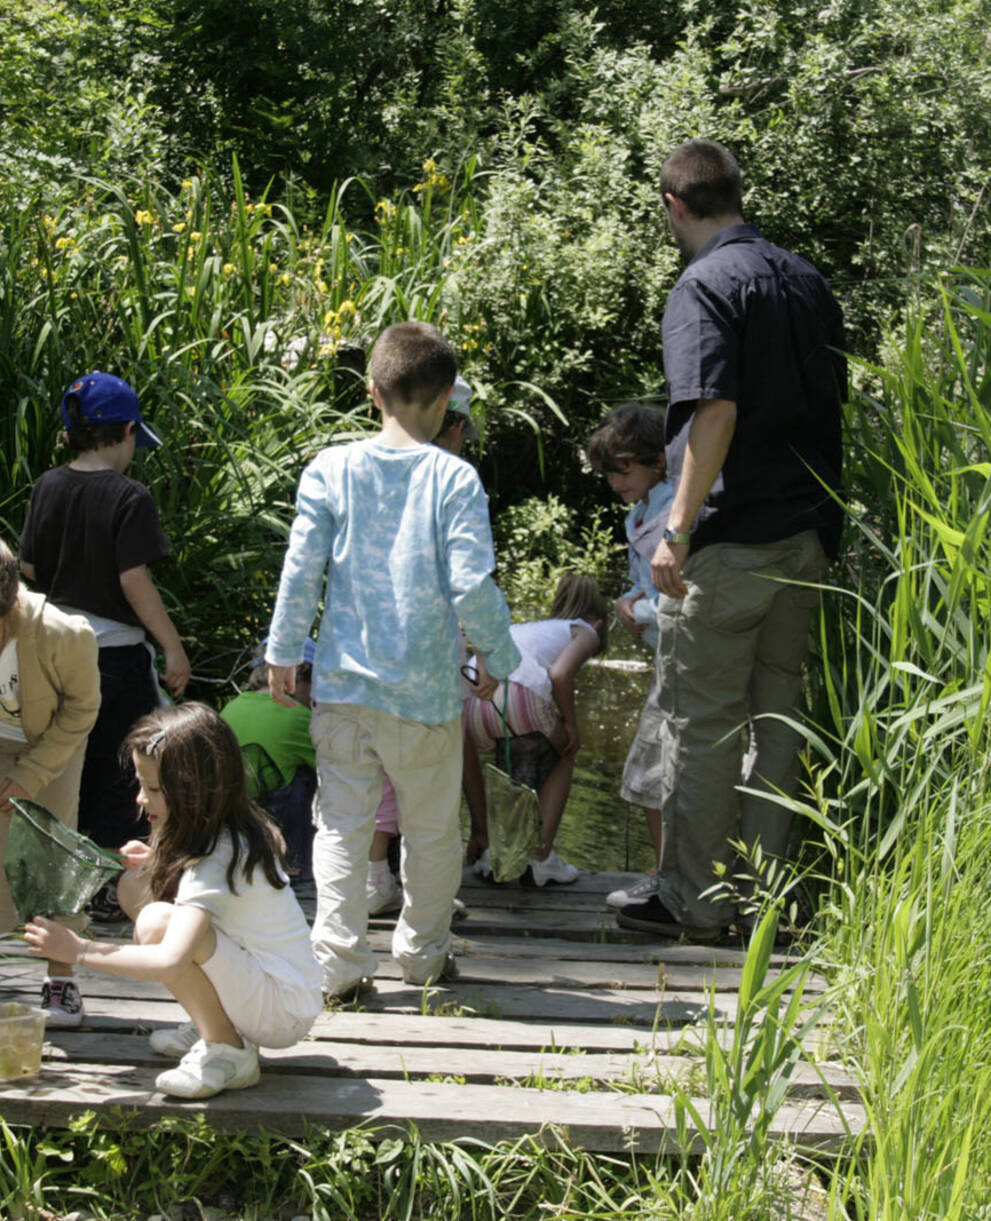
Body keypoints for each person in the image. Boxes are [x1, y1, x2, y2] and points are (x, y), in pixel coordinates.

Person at [615, 139, 846, 940]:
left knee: (701, 723)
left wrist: (673, 530)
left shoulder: (702, 285)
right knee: (776, 721)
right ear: (734, 194)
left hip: (732, 542)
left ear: (674, 206)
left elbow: (712, 409)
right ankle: (761, 899)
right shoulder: (806, 280)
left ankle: (694, 902)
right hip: (806, 541)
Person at [265, 320, 518, 999]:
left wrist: (283, 652)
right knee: (431, 830)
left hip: (343, 688)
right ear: (445, 400)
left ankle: (339, 962)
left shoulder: (330, 468)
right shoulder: (453, 479)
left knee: (340, 825)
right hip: (423, 696)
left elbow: (301, 569)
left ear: (372, 393)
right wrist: (498, 652)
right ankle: (421, 955)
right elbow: (470, 583)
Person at [23, 703, 323, 1100]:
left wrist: (77, 950)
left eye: (153, 790)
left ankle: (227, 1050)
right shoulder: (227, 830)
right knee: (136, 886)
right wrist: (154, 860)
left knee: (155, 927)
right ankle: (214, 1023)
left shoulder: (218, 855)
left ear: (194, 791)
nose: (141, 800)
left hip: (279, 1010)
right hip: (273, 988)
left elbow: (169, 960)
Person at [19, 372, 191, 920]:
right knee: (121, 776)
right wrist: (172, 647)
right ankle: (112, 892)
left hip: (48, 650)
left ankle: (50, 887)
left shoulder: (47, 487)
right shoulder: (129, 496)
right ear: (124, 432)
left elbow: (25, 571)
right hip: (112, 654)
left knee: (62, 768)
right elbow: (133, 580)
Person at [0, 539, 101, 1027]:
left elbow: (82, 708)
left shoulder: (63, 633)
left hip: (52, 746)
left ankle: (61, 982)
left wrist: (32, 773)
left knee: (54, 854)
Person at [465, 573, 608, 885]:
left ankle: (495, 853)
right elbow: (560, 675)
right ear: (597, 622)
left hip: (473, 697)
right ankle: (541, 858)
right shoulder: (585, 631)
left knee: (514, 764)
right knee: (564, 755)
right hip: (519, 694)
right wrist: (571, 724)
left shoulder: (534, 628)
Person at [586, 403, 674, 908]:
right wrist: (631, 603)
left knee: (650, 771)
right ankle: (666, 872)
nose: (617, 480)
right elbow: (643, 588)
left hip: (681, 657)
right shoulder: (639, 515)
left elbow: (675, 599)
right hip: (665, 657)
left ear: (658, 461)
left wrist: (634, 611)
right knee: (656, 771)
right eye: (611, 472)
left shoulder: (671, 514)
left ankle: (664, 877)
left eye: (625, 469)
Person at [221, 643, 318, 884]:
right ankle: (296, 867)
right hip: (276, 810)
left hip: (232, 807)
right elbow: (330, 767)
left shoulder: (232, 707)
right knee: (303, 777)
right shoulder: (298, 715)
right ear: (299, 675)